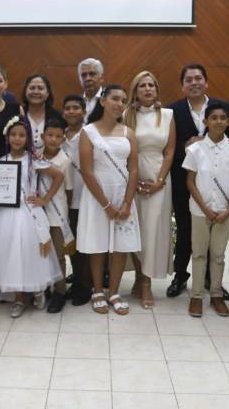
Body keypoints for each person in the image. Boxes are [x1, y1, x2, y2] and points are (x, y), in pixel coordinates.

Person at [0, 116, 64, 318]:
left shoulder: (33, 160)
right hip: (4, 215)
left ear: (27, 138)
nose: (17, 139)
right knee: (12, 255)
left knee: (30, 253)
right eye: (13, 135)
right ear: (7, 137)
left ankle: (37, 289)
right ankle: (19, 298)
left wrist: (45, 199)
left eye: (21, 135)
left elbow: (59, 175)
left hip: (28, 213)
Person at [167, 64, 229, 299]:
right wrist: (186, 145)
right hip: (183, 179)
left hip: (216, 184)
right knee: (184, 230)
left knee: (212, 232)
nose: (194, 83)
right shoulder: (172, 110)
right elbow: (167, 146)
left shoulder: (220, 106)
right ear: (182, 86)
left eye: (198, 78)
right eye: (188, 79)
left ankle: (210, 279)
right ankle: (180, 276)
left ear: (206, 82)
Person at [77, 86, 141, 315]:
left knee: (121, 246)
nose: (119, 104)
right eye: (115, 98)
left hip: (123, 196)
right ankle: (97, 290)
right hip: (97, 197)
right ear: (103, 100)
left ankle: (113, 292)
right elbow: (87, 171)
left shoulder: (128, 133)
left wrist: (126, 202)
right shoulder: (88, 132)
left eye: (123, 101)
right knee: (98, 245)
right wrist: (106, 205)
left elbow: (133, 169)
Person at [182, 100, 229, 318]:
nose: (218, 122)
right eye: (213, 118)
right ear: (206, 121)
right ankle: (196, 295)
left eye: (223, 118)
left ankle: (216, 294)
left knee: (218, 254)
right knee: (198, 253)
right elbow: (190, 181)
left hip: (225, 211)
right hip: (200, 211)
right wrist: (205, 209)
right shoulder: (195, 149)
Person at [124, 70, 175, 309]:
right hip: (132, 176)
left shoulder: (167, 115)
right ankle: (138, 275)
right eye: (142, 85)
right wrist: (132, 180)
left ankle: (146, 284)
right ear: (135, 91)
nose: (147, 89)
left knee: (152, 231)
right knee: (135, 230)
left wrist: (159, 180)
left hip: (159, 179)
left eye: (151, 85)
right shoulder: (126, 115)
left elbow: (170, 151)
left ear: (156, 90)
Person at [41, 117, 76, 313]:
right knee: (42, 253)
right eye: (50, 135)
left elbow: (69, 190)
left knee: (58, 255)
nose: (53, 139)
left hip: (57, 214)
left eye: (57, 136)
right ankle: (45, 286)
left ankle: (60, 291)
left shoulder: (65, 161)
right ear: (42, 136)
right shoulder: (36, 157)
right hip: (38, 213)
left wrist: (66, 212)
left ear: (63, 139)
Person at [62, 94, 93, 306]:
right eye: (68, 108)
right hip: (64, 199)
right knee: (71, 243)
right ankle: (78, 281)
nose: (72, 111)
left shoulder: (90, 134)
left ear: (84, 111)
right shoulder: (58, 135)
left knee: (85, 244)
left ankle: (85, 286)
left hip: (86, 197)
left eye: (76, 108)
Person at [20, 73, 64, 150]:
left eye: (40, 88)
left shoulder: (58, 117)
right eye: (32, 88)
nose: (36, 91)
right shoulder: (17, 114)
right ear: (25, 91)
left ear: (47, 93)